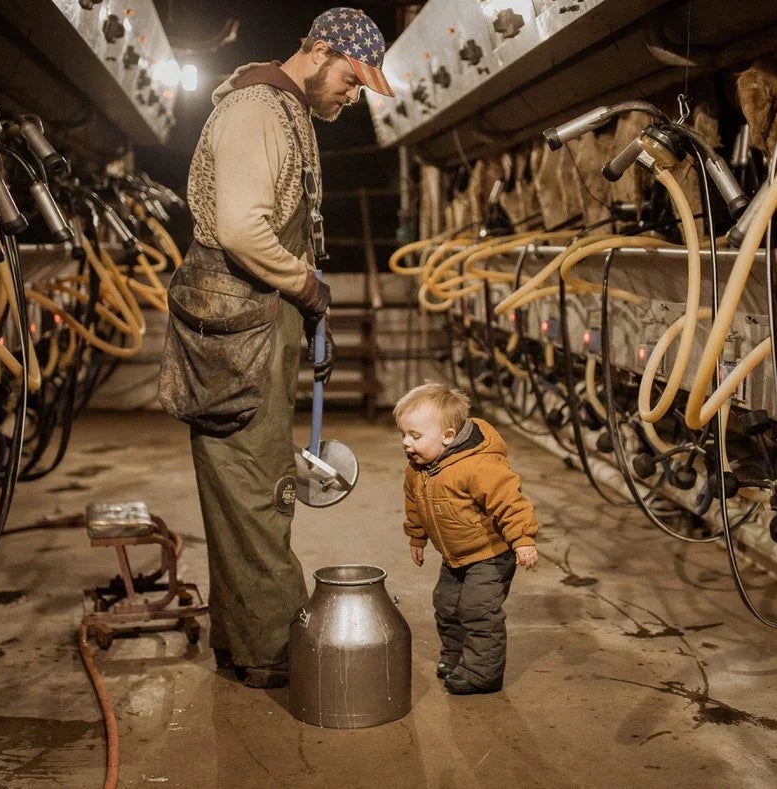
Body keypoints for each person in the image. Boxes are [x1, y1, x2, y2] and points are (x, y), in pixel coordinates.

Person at [158, 8, 394, 689]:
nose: (352, 98)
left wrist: (306, 315)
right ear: (319, 51)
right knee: (260, 492)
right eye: (350, 80)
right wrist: (307, 287)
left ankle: (242, 641)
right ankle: (272, 648)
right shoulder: (258, 110)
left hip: (258, 327)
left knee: (246, 490)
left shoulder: (284, 110)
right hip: (239, 335)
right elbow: (239, 227)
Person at [394, 382, 540, 695]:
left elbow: (509, 501)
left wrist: (523, 539)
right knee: (446, 605)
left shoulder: (479, 465)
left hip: (491, 552)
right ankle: (456, 657)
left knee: (478, 609)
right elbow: (415, 505)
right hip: (456, 554)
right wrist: (416, 539)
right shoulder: (418, 469)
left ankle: (481, 674)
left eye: (415, 436)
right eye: (403, 434)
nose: (406, 443)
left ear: (447, 436)